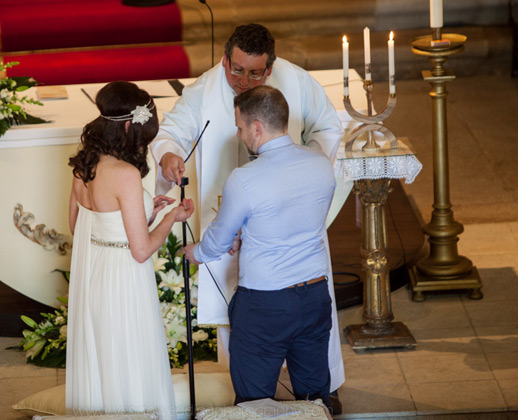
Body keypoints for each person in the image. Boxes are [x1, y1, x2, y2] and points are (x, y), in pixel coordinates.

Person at [150, 22, 345, 401]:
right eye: (235, 69)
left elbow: (328, 129)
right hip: (228, 212)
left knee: (279, 318)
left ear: (269, 68)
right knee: (239, 306)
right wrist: (170, 154)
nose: (242, 80)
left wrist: (299, 174)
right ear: (224, 59)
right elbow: (170, 130)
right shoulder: (204, 90)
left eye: (254, 73)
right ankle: (262, 391)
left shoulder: (298, 82)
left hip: (286, 224)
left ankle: (318, 392)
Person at [183, 85, 335, 409]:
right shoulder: (320, 163)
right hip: (314, 296)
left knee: (254, 402)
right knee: (314, 398)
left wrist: (194, 253)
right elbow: (300, 221)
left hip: (265, 305)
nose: (239, 135)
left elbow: (219, 240)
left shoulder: (245, 178)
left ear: (256, 127)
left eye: (239, 128)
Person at [66, 81, 193, 418]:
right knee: (128, 355)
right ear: (126, 127)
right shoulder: (125, 174)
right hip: (123, 279)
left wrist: (144, 210)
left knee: (102, 356)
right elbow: (140, 250)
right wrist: (169, 217)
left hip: (94, 272)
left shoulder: (85, 163)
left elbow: (79, 225)